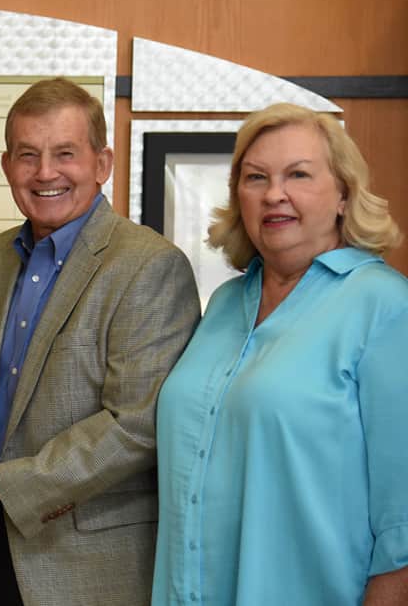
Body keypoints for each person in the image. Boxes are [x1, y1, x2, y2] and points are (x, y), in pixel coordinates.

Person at [0, 78, 200, 606]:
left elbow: (135, 426)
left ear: (103, 163)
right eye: (28, 155)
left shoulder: (149, 267)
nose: (45, 172)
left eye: (65, 154)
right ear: (7, 167)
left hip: (95, 568)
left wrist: (1, 486)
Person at [152, 103, 408, 605]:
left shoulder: (384, 305)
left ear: (342, 193)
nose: (274, 194)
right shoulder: (225, 304)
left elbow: (403, 516)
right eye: (256, 177)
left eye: (299, 174)